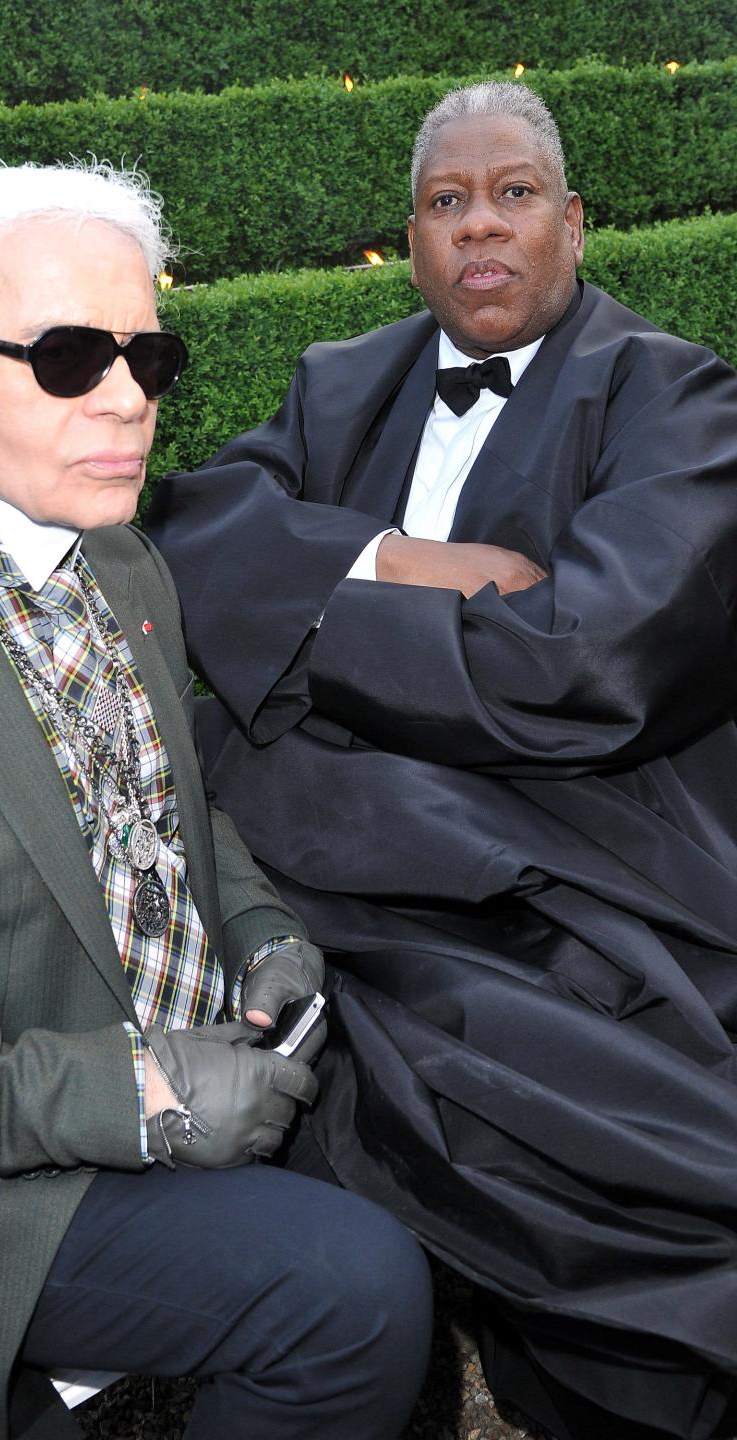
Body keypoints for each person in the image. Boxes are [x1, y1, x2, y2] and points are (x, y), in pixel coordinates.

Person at [0, 158, 433, 1440]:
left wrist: (265, 936)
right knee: (354, 1296)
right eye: (71, 355)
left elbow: (173, 812)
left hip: (186, 1059)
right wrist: (140, 1096)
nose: (129, 399)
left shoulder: (126, 560)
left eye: (149, 353)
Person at [146, 82, 737, 1440]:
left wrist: (306, 612)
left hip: (580, 870)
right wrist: (409, 565)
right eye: (446, 201)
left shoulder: (676, 394)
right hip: (334, 870)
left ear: (574, 225)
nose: (482, 225)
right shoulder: (339, 381)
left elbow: (582, 671)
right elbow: (184, 530)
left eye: (515, 193)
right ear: (408, 239)